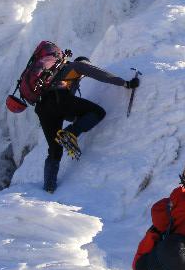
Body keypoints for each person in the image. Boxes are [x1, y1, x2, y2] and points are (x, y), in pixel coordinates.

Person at [35, 56, 139, 192]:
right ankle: (70, 133)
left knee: (55, 149)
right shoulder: (77, 66)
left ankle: (48, 187)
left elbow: (66, 112)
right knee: (98, 112)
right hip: (59, 100)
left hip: (43, 108)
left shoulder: (55, 76)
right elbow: (100, 74)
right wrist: (125, 83)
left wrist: (78, 119)